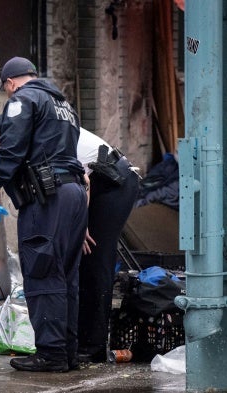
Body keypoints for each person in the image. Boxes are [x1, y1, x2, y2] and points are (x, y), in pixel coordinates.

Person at [0, 57, 88, 372]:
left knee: (43, 272)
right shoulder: (64, 106)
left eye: (6, 91)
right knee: (66, 277)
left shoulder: (23, 99)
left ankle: (51, 354)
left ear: (10, 83)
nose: (8, 96)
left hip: (47, 198)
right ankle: (67, 353)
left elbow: (11, 146)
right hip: (73, 195)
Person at [76, 128, 140, 363]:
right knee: (85, 261)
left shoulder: (50, 129)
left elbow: (83, 181)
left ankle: (93, 346)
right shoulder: (44, 121)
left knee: (96, 258)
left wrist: (81, 224)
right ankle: (83, 338)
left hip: (112, 183)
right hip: (101, 179)